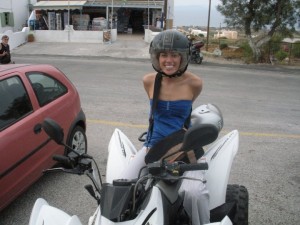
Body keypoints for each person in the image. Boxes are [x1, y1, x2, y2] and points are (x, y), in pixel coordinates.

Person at [120, 30, 210, 225]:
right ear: (157, 57)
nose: (169, 60)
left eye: (174, 55)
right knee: (122, 184)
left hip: (185, 147)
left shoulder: (195, 83)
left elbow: (184, 116)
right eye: (164, 55)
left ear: (183, 57)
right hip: (154, 146)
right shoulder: (149, 80)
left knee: (195, 194)